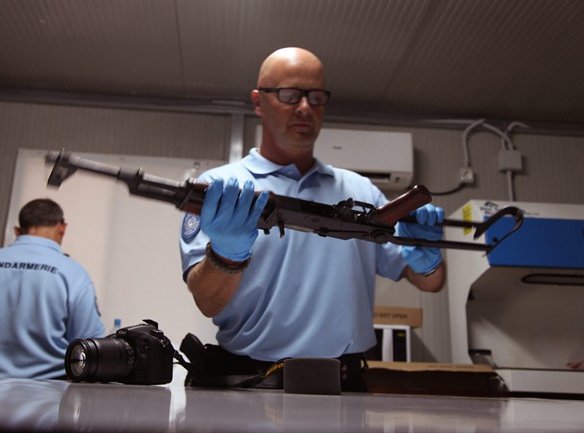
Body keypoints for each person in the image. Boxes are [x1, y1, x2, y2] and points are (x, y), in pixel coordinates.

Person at [179, 47, 445, 391]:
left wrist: (427, 255)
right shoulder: (220, 191)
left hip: (344, 388)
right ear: (259, 102)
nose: (305, 108)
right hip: (250, 384)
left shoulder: (361, 191)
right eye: (290, 95)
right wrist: (226, 255)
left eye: (316, 97)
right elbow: (207, 302)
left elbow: (429, 282)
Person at [0, 198, 105, 379]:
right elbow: (92, 355)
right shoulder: (74, 275)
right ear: (62, 229)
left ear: (18, 231)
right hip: (44, 400)